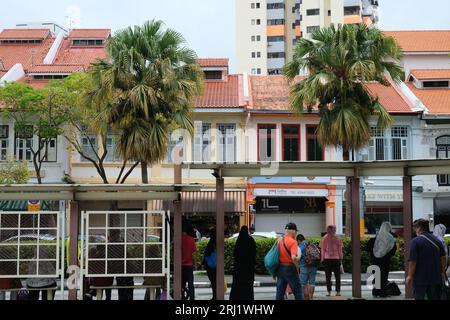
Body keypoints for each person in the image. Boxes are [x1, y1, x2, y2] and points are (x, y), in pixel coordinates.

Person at [406, 219, 447, 300]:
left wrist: (410, 276)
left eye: (414, 227)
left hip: (420, 279)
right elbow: (443, 258)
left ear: (419, 228)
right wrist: (442, 271)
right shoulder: (438, 241)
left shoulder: (415, 241)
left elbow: (413, 261)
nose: (414, 230)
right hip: (435, 278)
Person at [366, 222, 397, 297]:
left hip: (375, 261)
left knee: (376, 276)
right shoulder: (390, 239)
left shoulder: (374, 239)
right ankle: (383, 293)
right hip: (385, 262)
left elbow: (368, 248)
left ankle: (375, 292)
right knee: (383, 277)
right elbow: (393, 251)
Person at [274, 223, 303, 300]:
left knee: (280, 292)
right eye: (296, 231)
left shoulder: (279, 240)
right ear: (293, 231)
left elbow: (275, 256)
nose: (296, 233)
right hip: (290, 268)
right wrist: (297, 266)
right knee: (298, 291)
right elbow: (293, 257)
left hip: (280, 268)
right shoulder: (293, 242)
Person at [230, 226, 256, 300]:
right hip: (248, 268)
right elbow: (253, 253)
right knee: (248, 286)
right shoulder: (251, 240)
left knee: (237, 285)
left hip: (239, 268)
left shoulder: (239, 240)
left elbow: (235, 254)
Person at [320, 225, 343, 297]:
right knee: (337, 276)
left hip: (327, 259)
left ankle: (329, 292)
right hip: (336, 259)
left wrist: (322, 259)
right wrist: (341, 259)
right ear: (334, 230)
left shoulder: (324, 238)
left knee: (328, 276)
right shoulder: (338, 238)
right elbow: (340, 250)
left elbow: (322, 250)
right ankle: (338, 292)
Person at [297, 234, 319, 300]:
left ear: (298, 240)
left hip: (304, 266)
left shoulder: (300, 246)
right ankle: (311, 297)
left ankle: (306, 297)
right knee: (312, 282)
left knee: (303, 283)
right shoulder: (311, 244)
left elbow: (298, 256)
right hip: (314, 265)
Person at [182, 220, 197, 300]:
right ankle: (192, 297)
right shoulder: (191, 239)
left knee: (181, 283)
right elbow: (194, 254)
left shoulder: (178, 239)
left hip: (181, 265)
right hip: (189, 265)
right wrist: (195, 264)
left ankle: (182, 296)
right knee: (190, 283)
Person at [203, 228, 217, 300]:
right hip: (216, 265)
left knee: (213, 282)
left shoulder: (211, 242)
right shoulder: (217, 242)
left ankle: (215, 296)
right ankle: (215, 296)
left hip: (211, 266)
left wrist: (204, 263)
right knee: (215, 282)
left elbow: (207, 254)